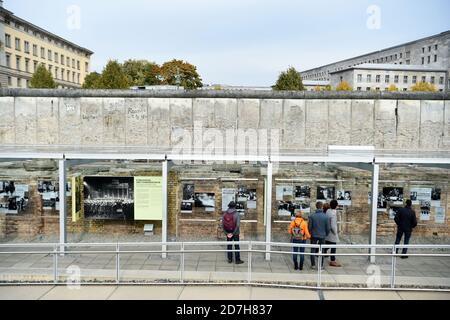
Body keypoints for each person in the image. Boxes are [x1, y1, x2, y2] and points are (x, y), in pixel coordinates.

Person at [308, 202, 330, 269]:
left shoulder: (312, 216)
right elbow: (328, 228)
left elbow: (309, 227)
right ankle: (321, 265)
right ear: (322, 207)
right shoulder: (326, 216)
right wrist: (326, 234)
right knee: (322, 250)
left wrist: (310, 233)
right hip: (322, 235)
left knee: (313, 249)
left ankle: (313, 265)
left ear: (316, 206)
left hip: (314, 235)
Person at [324, 200, 342, 267]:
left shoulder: (328, 211)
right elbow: (333, 225)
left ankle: (322, 251)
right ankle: (332, 261)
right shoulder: (334, 214)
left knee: (328, 243)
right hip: (332, 232)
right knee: (333, 246)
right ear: (336, 206)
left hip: (327, 231)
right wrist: (335, 232)